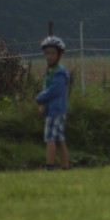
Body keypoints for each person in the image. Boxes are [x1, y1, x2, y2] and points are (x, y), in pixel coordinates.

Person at [36, 35, 71, 170]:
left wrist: (40, 99)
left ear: (59, 55)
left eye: (53, 53)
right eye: (47, 53)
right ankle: (65, 166)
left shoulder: (59, 73)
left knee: (50, 137)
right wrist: (43, 104)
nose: (49, 56)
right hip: (52, 108)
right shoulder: (49, 72)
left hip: (56, 110)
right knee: (59, 139)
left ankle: (49, 166)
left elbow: (53, 91)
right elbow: (47, 88)